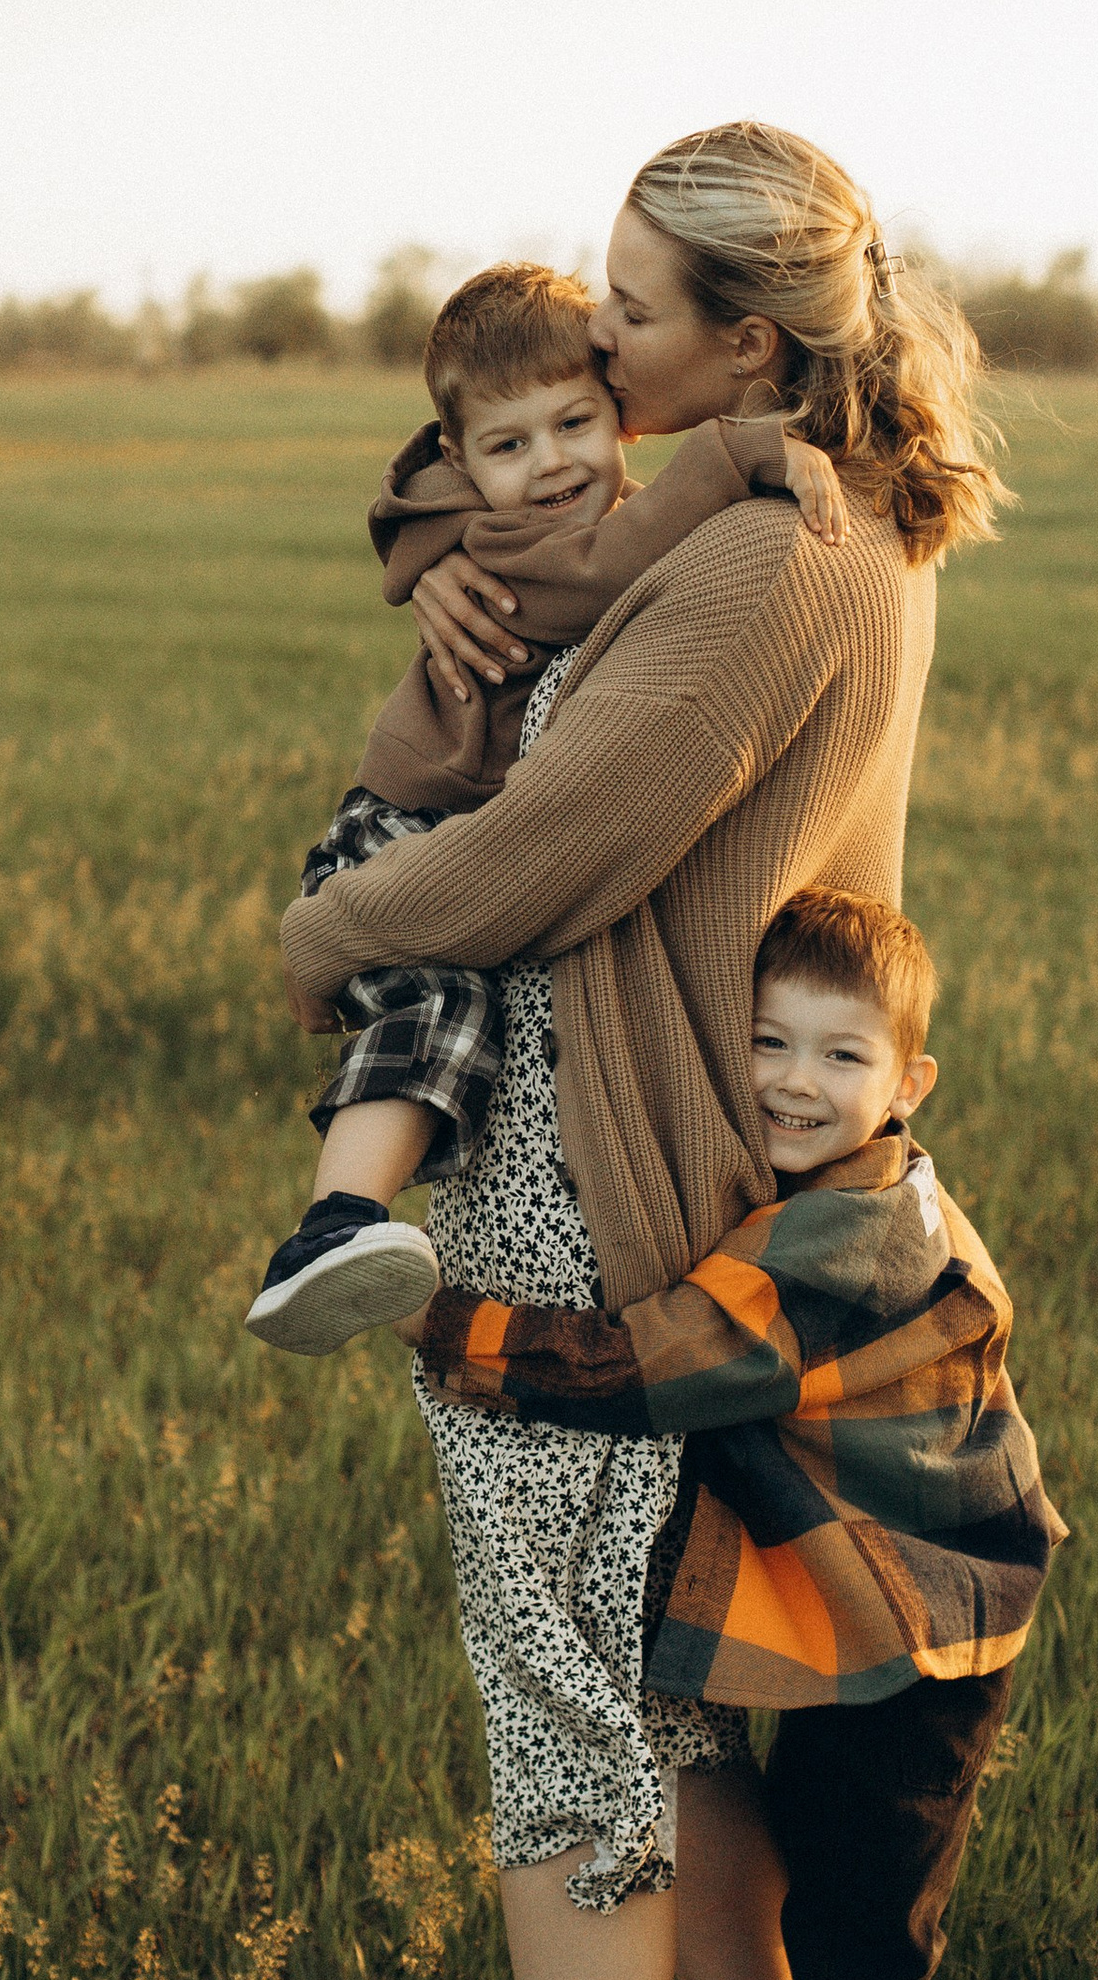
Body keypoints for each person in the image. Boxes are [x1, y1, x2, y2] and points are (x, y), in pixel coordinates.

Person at [281, 120, 1010, 1980]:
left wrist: (322, 934)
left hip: (599, 1173)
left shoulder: (776, 562)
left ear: (753, 345)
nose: (597, 340)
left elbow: (550, 845)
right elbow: (461, 503)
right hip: (626, 1134)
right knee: (638, 1652)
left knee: (558, 1679)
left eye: (629, 310)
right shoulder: (759, 512)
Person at [408, 882, 1063, 1980]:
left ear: (908, 1081)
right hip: (884, 1617)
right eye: (766, 1042)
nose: (794, 1081)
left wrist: (446, 1330)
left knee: (859, 1932)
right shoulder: (844, 1190)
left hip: (928, 1643)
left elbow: (652, 1366)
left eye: (841, 1053)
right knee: (819, 1871)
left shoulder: (846, 1239)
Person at [246, 258, 845, 1353]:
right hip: (409, 823)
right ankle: (334, 1222)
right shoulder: (533, 543)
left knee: (469, 1027)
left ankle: (345, 1222)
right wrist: (742, 452)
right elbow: (597, 567)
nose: (552, 461)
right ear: (463, 465)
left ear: (617, 414)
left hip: (479, 833)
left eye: (573, 423)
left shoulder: (570, 514)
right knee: (438, 1010)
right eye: (508, 447)